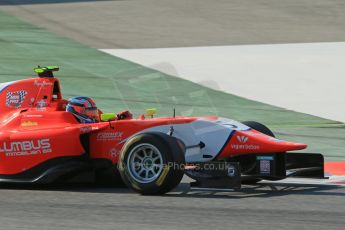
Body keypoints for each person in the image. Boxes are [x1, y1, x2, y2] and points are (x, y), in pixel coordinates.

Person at [66, 96, 133, 123]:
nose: (94, 115)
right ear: (79, 112)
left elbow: (101, 118)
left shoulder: (95, 118)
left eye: (94, 112)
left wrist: (118, 117)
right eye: (89, 112)